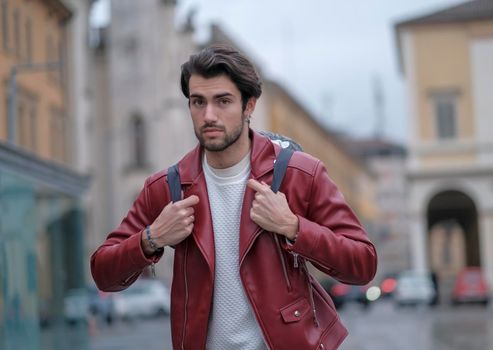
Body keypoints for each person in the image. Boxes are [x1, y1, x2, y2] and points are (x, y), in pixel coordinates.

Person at [91, 44, 377, 350]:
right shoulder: (166, 187)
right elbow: (104, 273)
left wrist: (294, 227)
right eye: (198, 102)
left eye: (223, 101)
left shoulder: (300, 175)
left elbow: (362, 264)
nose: (208, 115)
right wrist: (151, 238)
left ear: (249, 105)